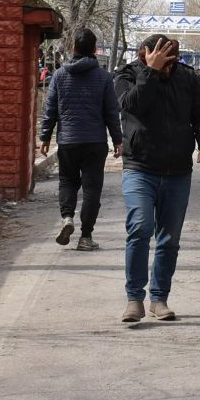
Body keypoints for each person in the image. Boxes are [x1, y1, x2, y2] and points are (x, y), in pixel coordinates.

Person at [114, 35, 200, 324]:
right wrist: (150, 72)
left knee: (169, 240)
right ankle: (135, 298)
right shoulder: (127, 75)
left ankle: (159, 298)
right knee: (140, 227)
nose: (167, 68)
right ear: (144, 54)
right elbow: (131, 105)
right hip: (139, 168)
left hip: (177, 171)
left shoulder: (186, 77)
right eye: (163, 61)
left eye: (172, 62)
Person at [39, 29, 122, 251]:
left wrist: (45, 136)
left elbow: (51, 109)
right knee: (92, 189)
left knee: (67, 181)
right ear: (95, 50)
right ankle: (86, 237)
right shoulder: (104, 77)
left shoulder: (59, 75)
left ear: (73, 48)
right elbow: (111, 111)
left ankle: (67, 217)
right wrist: (117, 140)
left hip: (68, 140)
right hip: (95, 142)